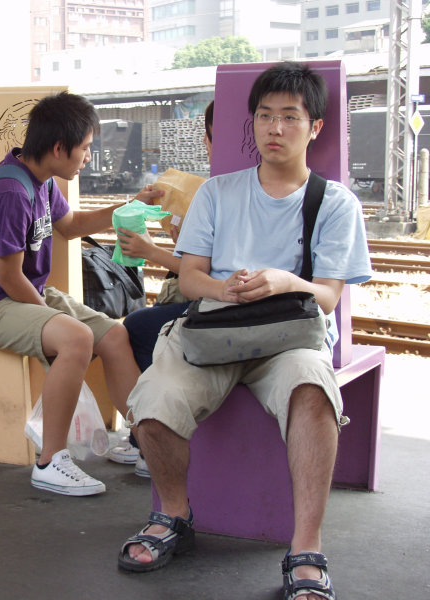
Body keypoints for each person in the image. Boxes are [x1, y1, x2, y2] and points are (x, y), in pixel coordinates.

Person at [117, 62, 371, 600]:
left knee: (312, 390)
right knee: (155, 396)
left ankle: (307, 545)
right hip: (215, 330)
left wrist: (282, 280)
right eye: (264, 116)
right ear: (251, 123)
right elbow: (188, 277)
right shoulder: (217, 193)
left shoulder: (334, 202)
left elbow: (327, 295)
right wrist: (222, 290)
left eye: (289, 117)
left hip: (290, 340)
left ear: (315, 127)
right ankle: (175, 514)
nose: (275, 128)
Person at [0, 91, 160, 497]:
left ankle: (145, 441)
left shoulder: (40, 180)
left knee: (115, 336)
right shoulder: (12, 192)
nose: (86, 157)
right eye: (84, 148)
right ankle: (50, 460)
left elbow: (70, 225)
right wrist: (54, 319)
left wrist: (129, 204)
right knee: (77, 337)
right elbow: (9, 278)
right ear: (59, 147)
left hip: (24, 293)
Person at [106, 101, 214, 477]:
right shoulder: (224, 186)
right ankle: (143, 439)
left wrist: (153, 251)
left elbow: (204, 274)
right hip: (218, 302)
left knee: (138, 329)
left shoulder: (222, 189)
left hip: (219, 308)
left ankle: (147, 442)